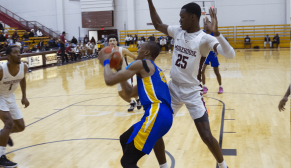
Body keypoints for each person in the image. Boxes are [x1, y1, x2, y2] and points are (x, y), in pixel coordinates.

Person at [148, 1, 235, 168]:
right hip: (173, 90)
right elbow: (157, 24)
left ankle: (223, 165)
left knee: (206, 136)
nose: (179, 20)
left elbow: (230, 55)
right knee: (155, 130)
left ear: (193, 17)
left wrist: (217, 34)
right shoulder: (178, 31)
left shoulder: (205, 39)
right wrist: (150, 2)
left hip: (192, 92)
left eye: (183, 17)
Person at [98, 41, 173, 168]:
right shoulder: (151, 71)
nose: (137, 50)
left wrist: (106, 62)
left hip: (157, 112)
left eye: (140, 48)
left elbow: (109, 80)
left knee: (127, 162)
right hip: (162, 115)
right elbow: (129, 93)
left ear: (147, 52)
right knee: (124, 139)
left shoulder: (141, 64)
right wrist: (118, 69)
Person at [0, 46, 30, 168]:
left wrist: (24, 96)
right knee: (8, 122)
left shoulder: (24, 67)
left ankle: (3, 133)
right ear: (8, 56)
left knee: (20, 127)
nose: (19, 55)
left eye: (19, 52)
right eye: (15, 53)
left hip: (10, 96)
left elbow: (22, 79)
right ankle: (0, 159)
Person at [107, 34, 141, 112]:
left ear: (116, 41)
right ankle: (132, 103)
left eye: (114, 40)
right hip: (118, 75)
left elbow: (134, 57)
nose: (112, 42)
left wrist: (138, 67)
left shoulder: (123, 50)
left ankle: (138, 99)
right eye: (110, 41)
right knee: (121, 93)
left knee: (129, 90)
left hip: (127, 73)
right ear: (108, 43)